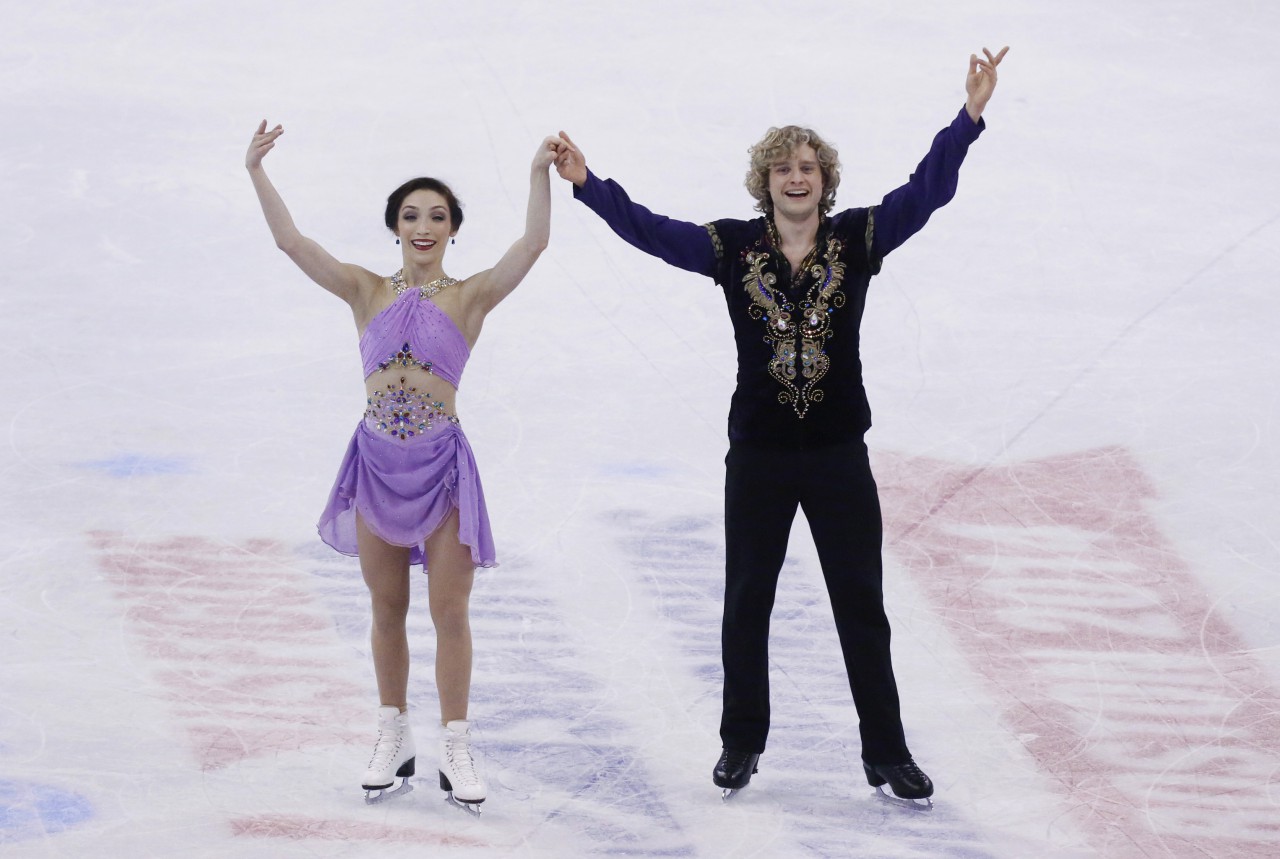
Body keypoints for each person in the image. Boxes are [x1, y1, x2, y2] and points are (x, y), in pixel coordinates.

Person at [553, 47, 1009, 805]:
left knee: (860, 600)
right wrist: (590, 186)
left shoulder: (858, 238)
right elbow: (652, 231)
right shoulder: (732, 247)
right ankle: (741, 740)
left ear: (826, 181)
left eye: (808, 167)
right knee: (747, 599)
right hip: (760, 455)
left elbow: (926, 192)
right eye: (782, 169)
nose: (796, 178)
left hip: (837, 454)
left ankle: (886, 751)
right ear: (764, 183)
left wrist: (968, 117)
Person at [246, 121, 560, 813]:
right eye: (412, 215)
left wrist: (538, 172)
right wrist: (257, 173)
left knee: (450, 609)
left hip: (442, 467)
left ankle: (456, 741)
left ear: (452, 230)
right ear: (395, 226)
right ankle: (393, 730)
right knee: (386, 609)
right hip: (376, 465)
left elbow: (533, 244)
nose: (424, 226)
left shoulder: (469, 296)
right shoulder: (365, 291)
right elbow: (292, 243)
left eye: (438, 217)